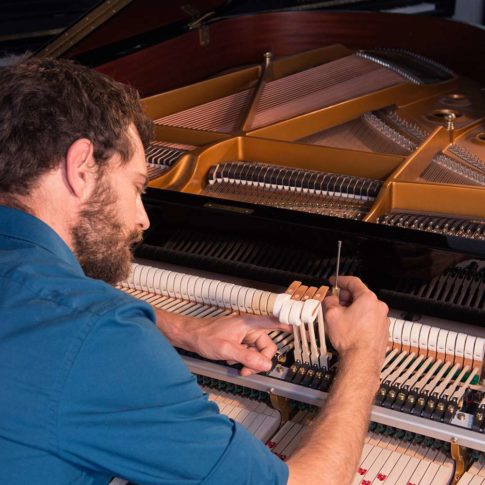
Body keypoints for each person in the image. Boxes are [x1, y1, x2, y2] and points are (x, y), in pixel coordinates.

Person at [0, 58, 389, 485]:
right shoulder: (98, 336)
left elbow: (46, 309)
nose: (142, 218)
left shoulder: (54, 308)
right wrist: (363, 354)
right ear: (80, 169)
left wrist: (182, 329)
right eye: (136, 187)